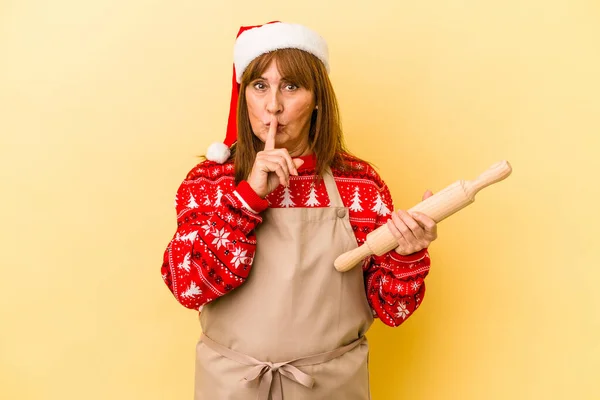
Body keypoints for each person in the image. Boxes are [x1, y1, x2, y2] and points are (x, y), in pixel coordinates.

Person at [161, 21, 438, 400]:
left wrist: (407, 254)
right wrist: (247, 198)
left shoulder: (358, 184)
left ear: (317, 97)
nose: (273, 105)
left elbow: (393, 310)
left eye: (291, 86)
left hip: (331, 388)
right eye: (260, 86)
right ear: (245, 96)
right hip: (232, 387)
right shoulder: (210, 182)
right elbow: (187, 285)